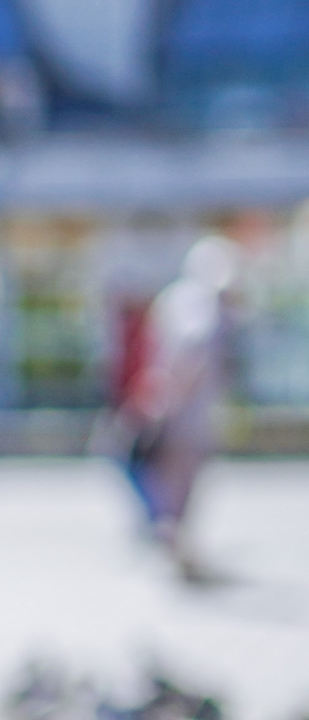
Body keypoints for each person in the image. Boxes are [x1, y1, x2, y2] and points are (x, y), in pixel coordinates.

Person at [116, 242, 237, 581]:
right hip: (186, 412)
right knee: (181, 481)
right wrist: (177, 397)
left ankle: (175, 545)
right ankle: (175, 547)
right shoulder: (199, 303)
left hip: (172, 406)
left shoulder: (174, 299)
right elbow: (192, 353)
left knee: (171, 480)